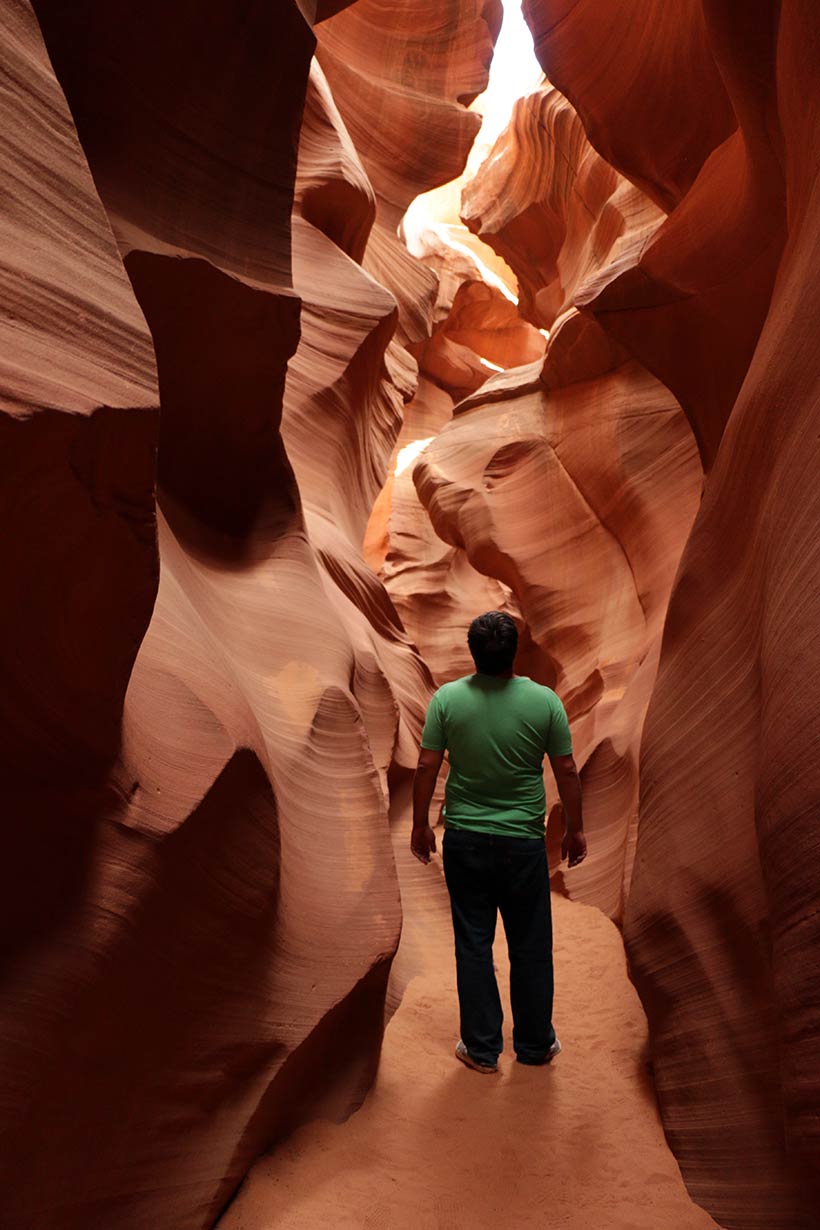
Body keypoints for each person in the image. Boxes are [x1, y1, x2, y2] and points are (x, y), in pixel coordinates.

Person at [410, 610, 586, 1074]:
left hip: (466, 839)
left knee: (473, 942)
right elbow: (566, 769)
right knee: (530, 943)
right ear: (515, 652)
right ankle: (533, 1046)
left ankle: (482, 1049)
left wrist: (420, 823)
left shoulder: (447, 700)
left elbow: (427, 765)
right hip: (523, 843)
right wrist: (574, 828)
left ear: (474, 652)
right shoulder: (544, 702)